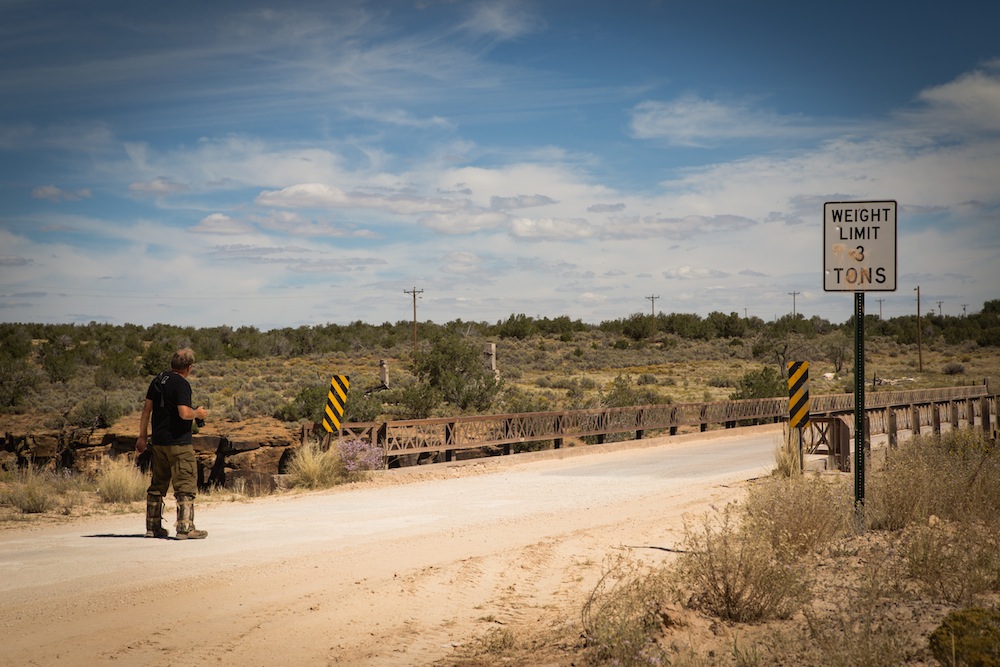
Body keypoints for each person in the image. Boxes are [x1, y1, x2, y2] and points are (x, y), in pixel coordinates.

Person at [136, 348, 210, 539]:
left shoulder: (158, 380)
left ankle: (153, 527)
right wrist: (197, 413)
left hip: (159, 442)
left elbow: (146, 410)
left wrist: (142, 437)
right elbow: (184, 413)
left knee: (157, 485)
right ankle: (185, 528)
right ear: (189, 367)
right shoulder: (181, 384)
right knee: (185, 483)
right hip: (179, 442)